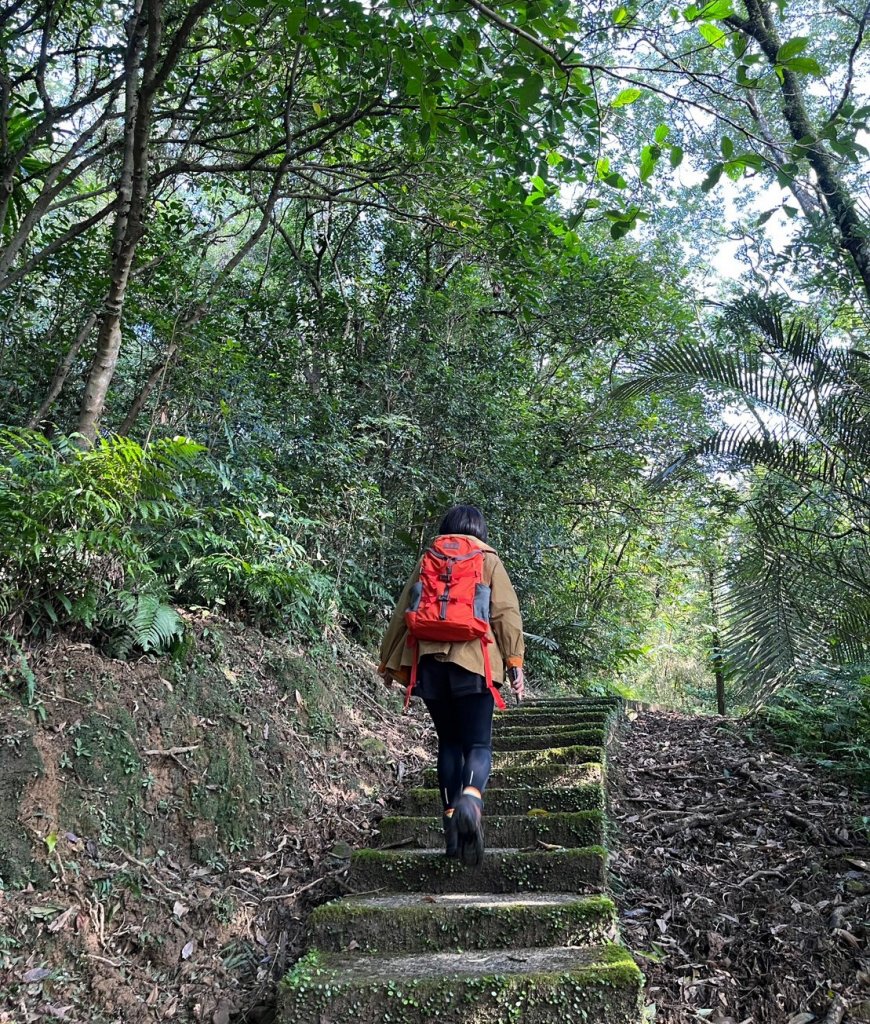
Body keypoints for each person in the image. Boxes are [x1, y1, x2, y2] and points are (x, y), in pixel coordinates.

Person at [378, 505, 525, 865]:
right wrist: (515, 662)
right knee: (477, 743)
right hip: (475, 662)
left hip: (428, 663)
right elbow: (505, 613)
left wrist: (387, 659)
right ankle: (471, 799)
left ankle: (450, 828)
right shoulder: (487, 557)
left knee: (448, 744)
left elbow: (403, 609)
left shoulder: (430, 555)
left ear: (447, 527)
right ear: (479, 529)